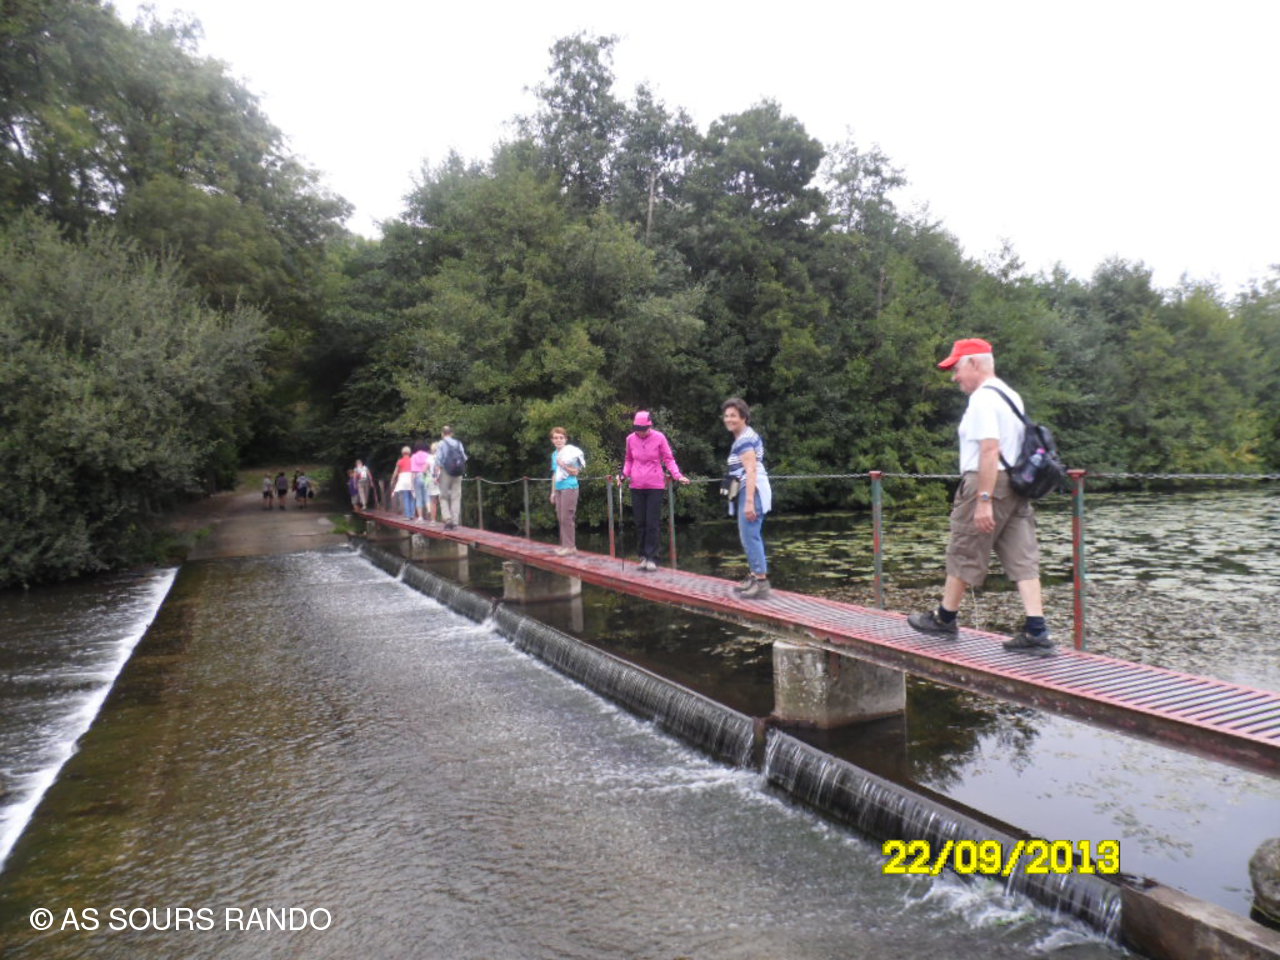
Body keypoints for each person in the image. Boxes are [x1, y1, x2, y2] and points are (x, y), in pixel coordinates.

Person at [907, 337, 1055, 656]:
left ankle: (945, 619)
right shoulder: (1010, 395)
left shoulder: (983, 399)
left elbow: (989, 449)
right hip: (1016, 484)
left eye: (957, 368)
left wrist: (984, 499)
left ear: (974, 363)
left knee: (964, 547)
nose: (954, 377)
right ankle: (1037, 630)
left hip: (986, 482)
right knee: (1022, 555)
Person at [622, 410, 689, 571]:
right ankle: (643, 557)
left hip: (655, 485)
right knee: (640, 523)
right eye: (638, 429)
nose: (640, 432)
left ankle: (652, 558)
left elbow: (668, 459)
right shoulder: (630, 439)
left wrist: (677, 475)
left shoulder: (659, 437)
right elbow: (629, 460)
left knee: (652, 523)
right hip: (636, 485)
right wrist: (623, 475)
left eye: (643, 429)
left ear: (649, 426)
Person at [721, 398, 772, 599]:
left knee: (750, 535)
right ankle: (754, 576)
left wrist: (749, 501)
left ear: (743, 417)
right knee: (748, 535)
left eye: (733, 415)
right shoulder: (743, 437)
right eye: (726, 415)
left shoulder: (744, 440)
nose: (729, 419)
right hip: (748, 489)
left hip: (752, 490)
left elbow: (751, 470)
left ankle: (761, 582)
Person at [549, 427, 585, 555]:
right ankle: (564, 545)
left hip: (569, 487)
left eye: (561, 438)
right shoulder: (554, 455)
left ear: (565, 439)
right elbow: (554, 475)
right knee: (560, 517)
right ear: (552, 440)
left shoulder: (571, 453)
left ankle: (570, 547)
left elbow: (575, 472)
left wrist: (563, 465)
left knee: (567, 517)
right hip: (559, 488)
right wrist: (553, 492)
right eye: (556, 438)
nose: (558, 440)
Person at [436, 426, 468, 530]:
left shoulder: (441, 444)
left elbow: (438, 460)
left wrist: (436, 474)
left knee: (443, 496)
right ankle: (455, 522)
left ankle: (447, 519)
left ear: (442, 434)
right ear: (452, 433)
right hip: (458, 473)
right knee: (456, 497)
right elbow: (464, 458)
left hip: (446, 472)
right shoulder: (458, 443)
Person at [390, 445, 416, 520]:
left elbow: (395, 472)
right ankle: (412, 514)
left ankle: (408, 515)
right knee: (412, 497)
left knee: (406, 497)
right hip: (411, 478)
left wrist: (392, 479)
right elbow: (414, 470)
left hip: (403, 479)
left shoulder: (400, 461)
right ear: (409, 452)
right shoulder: (412, 460)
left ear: (402, 453)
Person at [410, 440, 431, 521]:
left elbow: (413, 471)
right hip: (426, 476)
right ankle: (429, 510)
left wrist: (412, 483)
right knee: (427, 496)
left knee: (418, 498)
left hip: (417, 476)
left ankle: (420, 517)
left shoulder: (413, 457)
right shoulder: (428, 456)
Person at [424, 443, 441, 523]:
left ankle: (433, 520)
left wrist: (427, 476)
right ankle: (447, 520)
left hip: (432, 480)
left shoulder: (429, 458)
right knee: (443, 500)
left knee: (433, 501)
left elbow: (424, 469)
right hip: (442, 480)